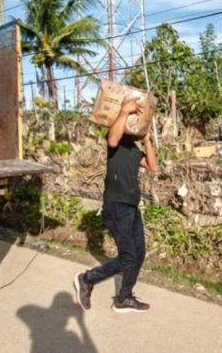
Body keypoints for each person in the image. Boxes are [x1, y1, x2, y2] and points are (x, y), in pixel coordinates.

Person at [73, 98, 158, 313]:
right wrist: (124, 111)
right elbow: (112, 140)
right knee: (127, 256)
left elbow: (153, 166)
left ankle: (124, 297)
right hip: (116, 206)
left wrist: (147, 140)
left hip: (131, 207)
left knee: (138, 254)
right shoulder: (117, 143)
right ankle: (87, 278)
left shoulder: (134, 149)